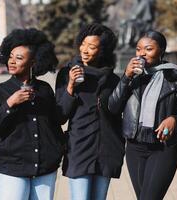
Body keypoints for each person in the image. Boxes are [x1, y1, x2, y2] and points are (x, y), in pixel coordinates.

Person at [109, 30, 177, 200]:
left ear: (161, 50)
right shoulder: (132, 78)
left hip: (163, 149)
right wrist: (126, 77)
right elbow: (113, 107)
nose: (141, 54)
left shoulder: (176, 78)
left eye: (148, 49)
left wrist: (174, 119)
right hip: (134, 148)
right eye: (138, 49)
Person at [0, 28, 65, 200]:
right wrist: (10, 103)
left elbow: (55, 123)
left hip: (45, 168)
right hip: (14, 169)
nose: (12, 61)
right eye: (11, 56)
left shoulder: (44, 89)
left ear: (33, 62)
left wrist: (58, 149)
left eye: (19, 58)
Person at [55, 23, 125, 200]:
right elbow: (61, 115)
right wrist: (70, 85)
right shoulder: (66, 74)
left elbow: (118, 114)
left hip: (107, 149)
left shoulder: (113, 79)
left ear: (102, 50)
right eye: (83, 44)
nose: (85, 50)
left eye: (92, 47)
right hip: (79, 148)